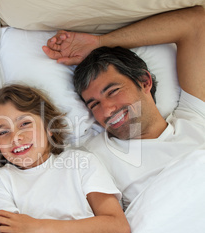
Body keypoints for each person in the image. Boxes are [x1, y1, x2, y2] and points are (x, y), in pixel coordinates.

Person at [42, 5, 205, 208]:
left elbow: (196, 22)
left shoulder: (195, 118)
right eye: (94, 104)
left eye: (113, 92)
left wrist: (101, 42)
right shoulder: (94, 155)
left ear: (144, 82)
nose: (107, 110)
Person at [0, 84, 154, 233]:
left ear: (48, 128)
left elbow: (117, 228)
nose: (16, 137)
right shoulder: (0, 180)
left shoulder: (80, 162)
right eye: (3, 132)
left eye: (25, 124)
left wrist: (39, 228)